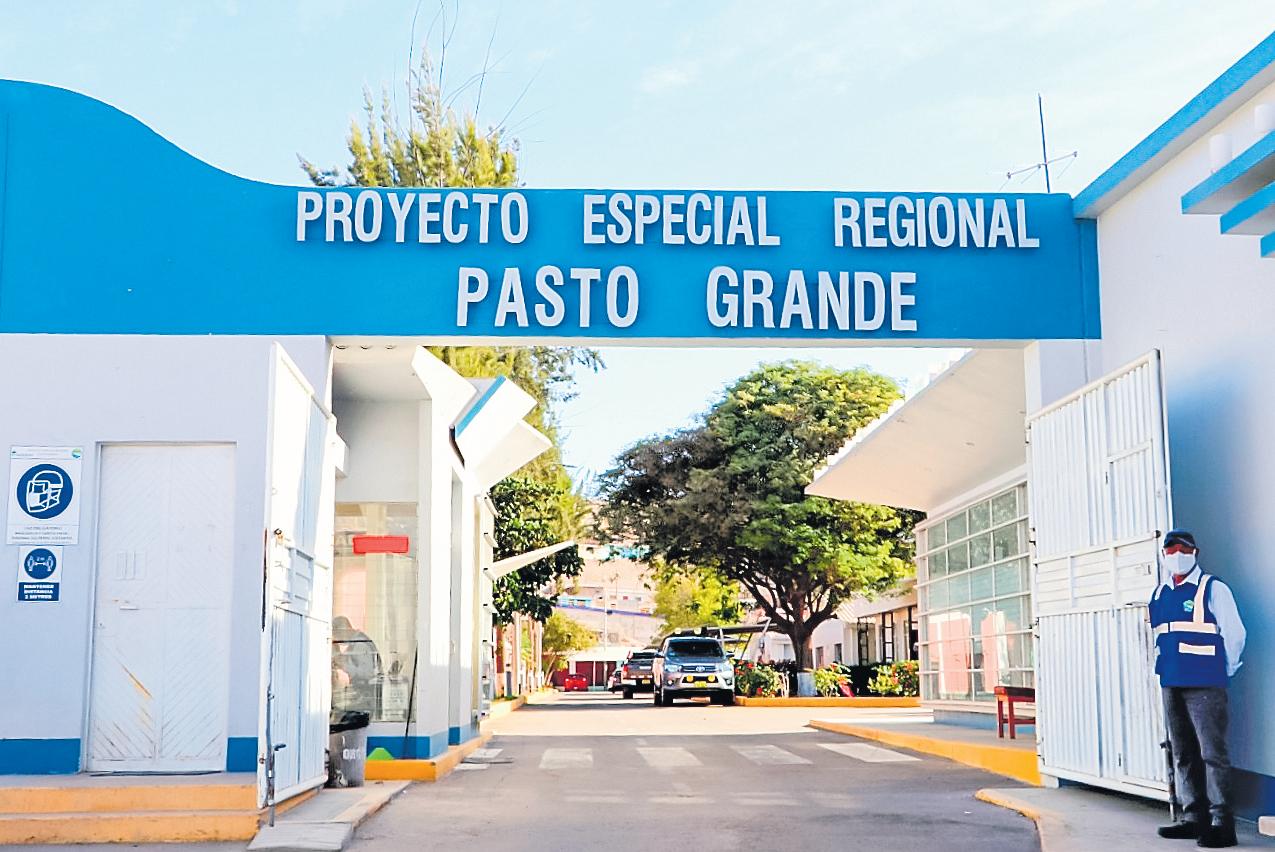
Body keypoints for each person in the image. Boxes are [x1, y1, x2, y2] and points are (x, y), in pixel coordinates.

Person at [1151, 530, 1246, 848]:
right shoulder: (1160, 592)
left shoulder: (1213, 588)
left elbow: (1235, 634)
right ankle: (1194, 818)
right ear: (1164, 555)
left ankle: (1222, 824)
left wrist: (1224, 670)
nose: (1176, 554)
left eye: (1183, 548)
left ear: (1195, 552)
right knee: (1182, 753)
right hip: (1171, 682)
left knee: (1212, 753)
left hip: (1205, 683)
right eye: (1170, 550)